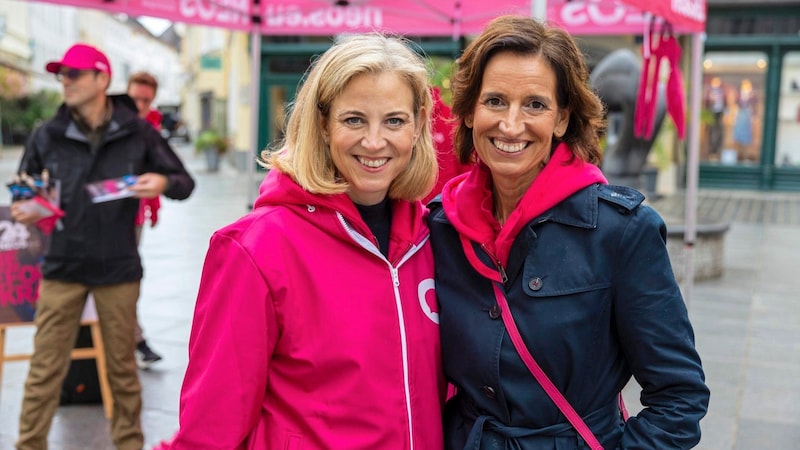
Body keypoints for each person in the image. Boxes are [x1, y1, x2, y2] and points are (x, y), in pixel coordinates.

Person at [428, 16, 710, 449]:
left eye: (535, 105)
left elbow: (679, 398)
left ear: (562, 119)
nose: (510, 124)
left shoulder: (621, 232)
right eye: (496, 101)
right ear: (468, 112)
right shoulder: (439, 229)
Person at [167, 33, 445, 448]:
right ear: (322, 124)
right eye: (354, 119)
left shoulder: (435, 239)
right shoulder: (255, 249)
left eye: (394, 120)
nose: (374, 141)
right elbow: (211, 425)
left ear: (419, 124)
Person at [11, 43, 195, 450]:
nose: (66, 81)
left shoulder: (138, 132)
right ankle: (29, 445)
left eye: (74, 74)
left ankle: (129, 444)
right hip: (62, 265)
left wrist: (162, 183)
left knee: (123, 370)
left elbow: (184, 182)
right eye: (62, 75)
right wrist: (28, 207)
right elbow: (24, 190)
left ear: (102, 79)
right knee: (44, 369)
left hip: (117, 268)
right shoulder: (48, 134)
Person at [126, 70, 165, 368]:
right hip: (105, 214)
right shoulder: (112, 122)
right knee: (126, 277)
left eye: (146, 100)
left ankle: (132, 336)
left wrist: (153, 208)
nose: (140, 106)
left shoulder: (151, 125)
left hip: (134, 214)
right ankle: (135, 338)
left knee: (130, 276)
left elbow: (156, 169)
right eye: (135, 98)